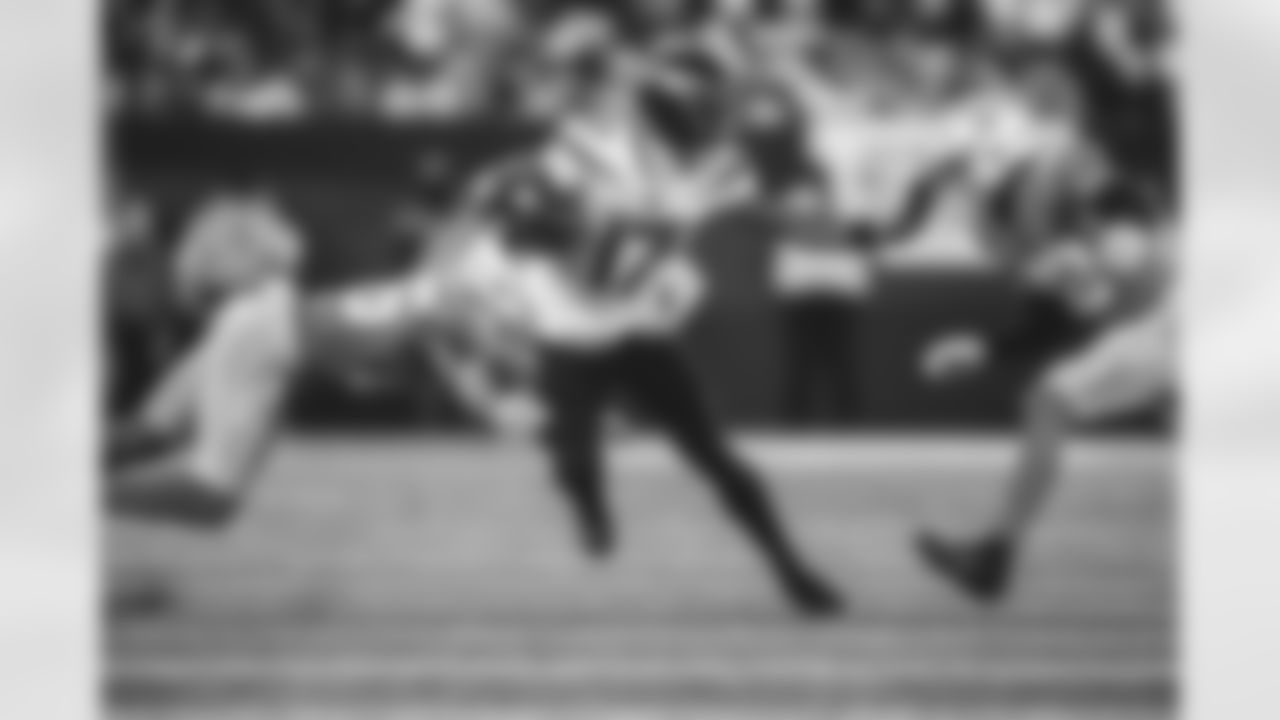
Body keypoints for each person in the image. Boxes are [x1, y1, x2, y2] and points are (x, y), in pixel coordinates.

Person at [481, 64, 846, 617]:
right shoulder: (587, 165)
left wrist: (819, 226)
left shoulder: (692, 176)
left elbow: (752, 215)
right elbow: (531, 225)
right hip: (570, 337)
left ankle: (790, 568)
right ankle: (591, 507)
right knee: (575, 466)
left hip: (636, 332)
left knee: (715, 458)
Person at [914, 177, 1175, 605]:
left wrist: (1082, 281)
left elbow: (1130, 281)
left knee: (1046, 400)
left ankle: (995, 555)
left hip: (1168, 334)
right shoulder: (1158, 235)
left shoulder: (1117, 237)